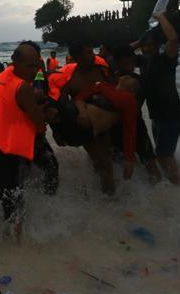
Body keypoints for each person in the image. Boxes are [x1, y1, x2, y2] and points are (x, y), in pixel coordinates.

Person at [46, 42, 138, 194]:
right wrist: (57, 132)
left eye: (93, 51)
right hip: (83, 124)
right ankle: (102, 194)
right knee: (99, 160)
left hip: (104, 123)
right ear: (77, 57)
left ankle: (107, 195)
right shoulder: (69, 77)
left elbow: (117, 91)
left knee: (106, 161)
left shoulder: (102, 71)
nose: (93, 55)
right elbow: (62, 104)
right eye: (89, 53)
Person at [0, 43, 48, 230]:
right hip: (6, 158)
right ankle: (17, 248)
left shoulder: (1, 77)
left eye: (37, 65)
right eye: (30, 66)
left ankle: (6, 244)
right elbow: (40, 125)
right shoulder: (23, 87)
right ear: (15, 63)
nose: (35, 71)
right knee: (16, 208)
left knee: (7, 203)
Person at [130, 11, 180, 184]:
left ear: (158, 46)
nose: (146, 49)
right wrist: (141, 40)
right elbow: (122, 53)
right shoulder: (144, 61)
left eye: (150, 45)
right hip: (157, 117)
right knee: (164, 153)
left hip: (171, 115)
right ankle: (175, 183)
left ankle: (177, 188)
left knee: (164, 155)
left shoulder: (166, 60)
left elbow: (173, 39)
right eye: (144, 46)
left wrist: (161, 18)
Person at [113, 45, 162, 182]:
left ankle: (160, 194)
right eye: (125, 62)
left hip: (137, 126)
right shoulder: (110, 79)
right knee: (115, 166)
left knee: (151, 166)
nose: (130, 66)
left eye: (132, 62)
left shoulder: (138, 81)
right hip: (114, 129)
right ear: (117, 62)